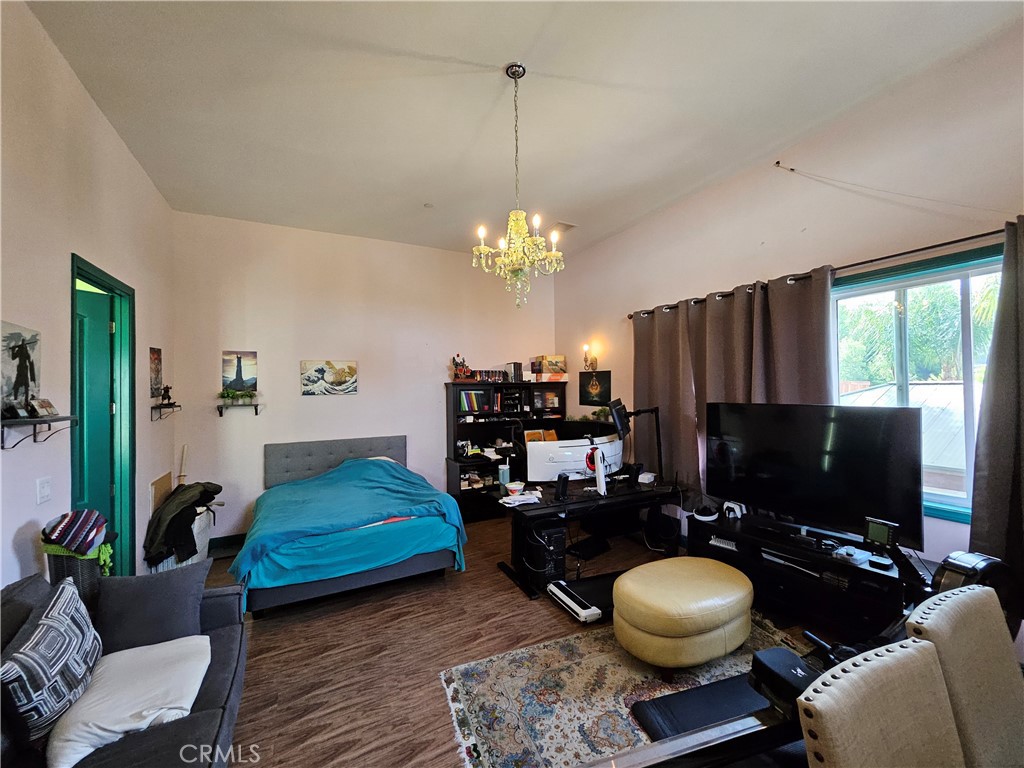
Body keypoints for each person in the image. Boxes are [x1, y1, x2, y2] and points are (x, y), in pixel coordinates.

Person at [9, 338, 35, 405]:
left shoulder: (25, 352)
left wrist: (13, 350)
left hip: (24, 370)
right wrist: (13, 350)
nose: (24, 345)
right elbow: (13, 358)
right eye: (23, 342)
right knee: (17, 386)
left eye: (24, 343)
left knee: (25, 386)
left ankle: (25, 402)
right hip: (21, 370)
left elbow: (30, 362)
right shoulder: (20, 350)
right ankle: (16, 401)